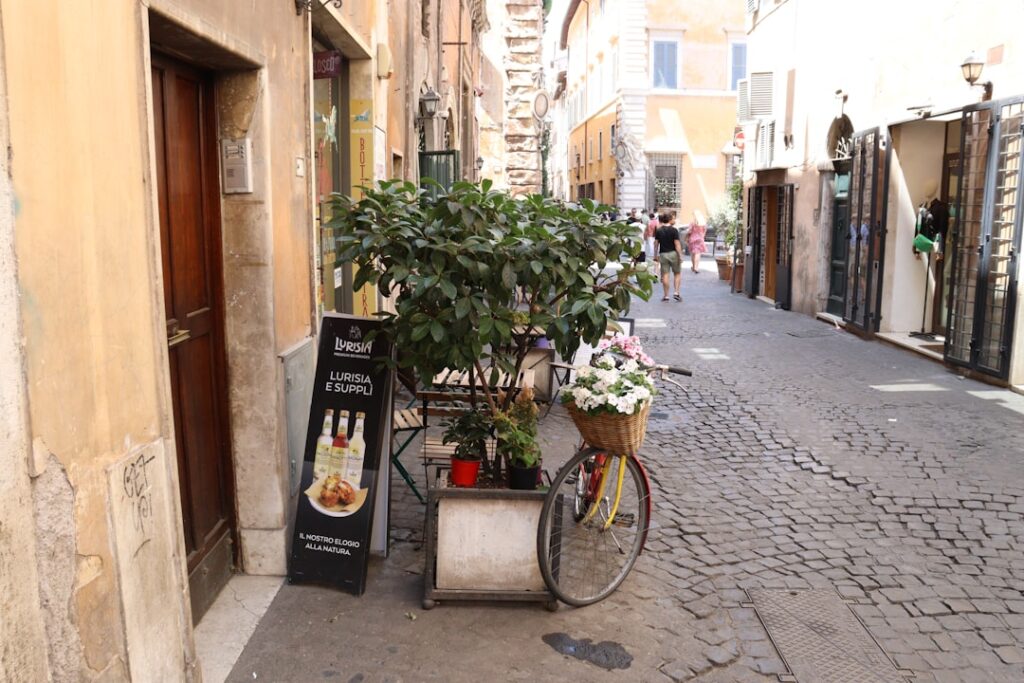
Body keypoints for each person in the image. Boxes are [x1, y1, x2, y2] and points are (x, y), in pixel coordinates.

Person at [654, 212, 683, 301]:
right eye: (673, 219)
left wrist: (655, 255)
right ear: (670, 220)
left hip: (663, 254)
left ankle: (666, 295)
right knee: (677, 274)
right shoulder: (674, 230)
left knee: (665, 275)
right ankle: (676, 292)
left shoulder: (659, 230)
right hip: (673, 254)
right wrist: (680, 256)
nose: (674, 220)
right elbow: (677, 244)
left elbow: (656, 244)